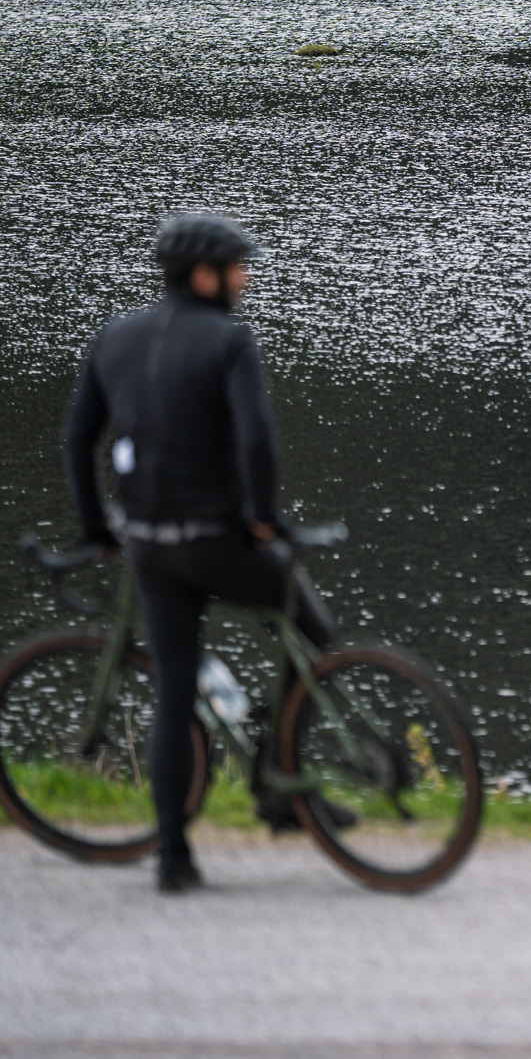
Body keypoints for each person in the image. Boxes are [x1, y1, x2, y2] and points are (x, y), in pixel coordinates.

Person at [63, 214, 339, 894]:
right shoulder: (228, 340)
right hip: (217, 543)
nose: (245, 280)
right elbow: (256, 439)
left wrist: (97, 529)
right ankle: (281, 781)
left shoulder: (114, 335)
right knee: (315, 632)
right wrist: (263, 518)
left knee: (175, 692)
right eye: (238, 269)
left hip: (149, 549)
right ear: (206, 276)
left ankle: (173, 858)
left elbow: (77, 440)